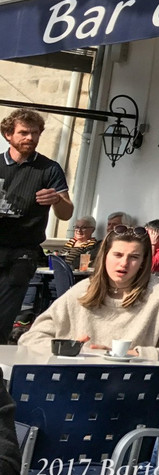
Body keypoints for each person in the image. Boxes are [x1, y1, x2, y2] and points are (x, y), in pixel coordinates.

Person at [19, 226, 159, 358]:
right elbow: (30, 339)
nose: (124, 263)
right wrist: (69, 348)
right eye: (117, 255)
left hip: (134, 389)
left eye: (134, 257)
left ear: (143, 261)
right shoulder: (82, 291)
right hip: (76, 386)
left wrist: (129, 354)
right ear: (104, 256)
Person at [0, 108, 74, 343]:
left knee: (3, 317)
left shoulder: (49, 169)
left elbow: (66, 213)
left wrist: (56, 200)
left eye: (35, 133)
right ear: (7, 134)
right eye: (23, 133)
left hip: (22, 253)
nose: (30, 138)